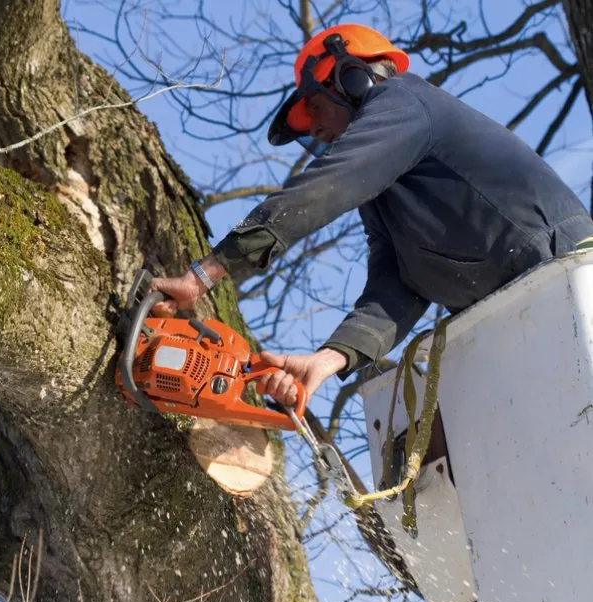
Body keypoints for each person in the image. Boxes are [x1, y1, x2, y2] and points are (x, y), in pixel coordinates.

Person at [150, 23, 593, 408]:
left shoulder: (406, 100)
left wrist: (205, 274)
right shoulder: (385, 195)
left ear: (353, 78)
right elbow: (396, 285)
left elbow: (329, 183)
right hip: (515, 317)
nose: (317, 131)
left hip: (564, 274)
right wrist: (328, 359)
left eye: (317, 108)